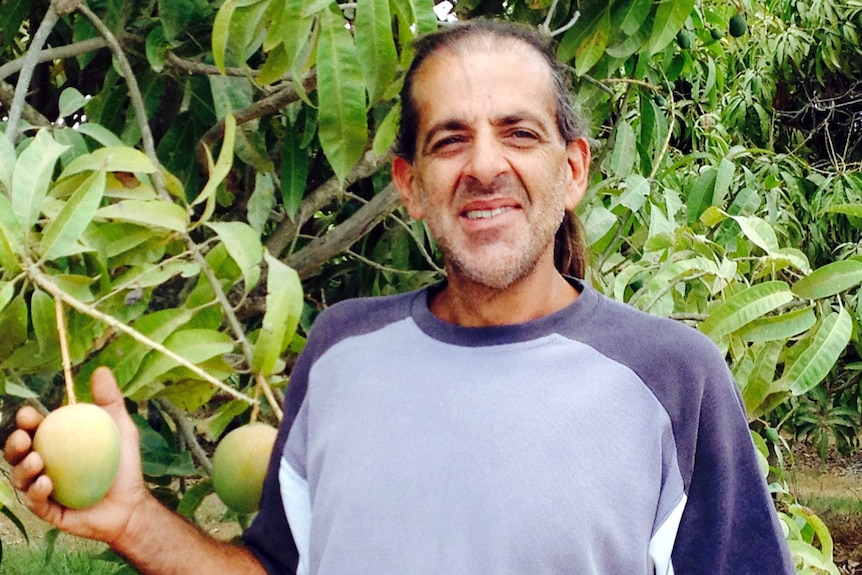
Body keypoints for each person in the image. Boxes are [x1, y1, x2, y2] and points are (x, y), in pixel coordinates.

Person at [4, 19, 795, 575]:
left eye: (519, 133)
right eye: (450, 139)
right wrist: (135, 519)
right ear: (410, 186)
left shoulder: (673, 377)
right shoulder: (340, 351)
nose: (484, 165)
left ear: (575, 170)